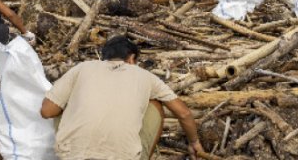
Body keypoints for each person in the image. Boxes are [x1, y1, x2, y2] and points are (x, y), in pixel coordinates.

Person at [40, 36, 205, 160]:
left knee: (64, 103)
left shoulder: (83, 68)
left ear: (104, 57)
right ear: (132, 58)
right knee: (154, 103)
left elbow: (47, 111)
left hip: (71, 155)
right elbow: (183, 113)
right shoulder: (145, 76)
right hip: (122, 156)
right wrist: (194, 143)